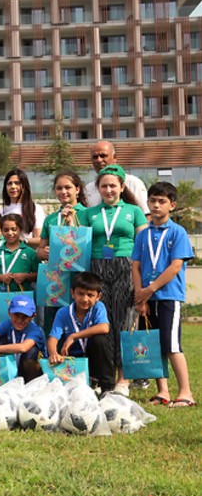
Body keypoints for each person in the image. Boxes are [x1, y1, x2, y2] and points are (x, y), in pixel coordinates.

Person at [78, 164, 147, 395]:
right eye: (104, 186)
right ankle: (104, 379)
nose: (108, 190)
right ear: (98, 188)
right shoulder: (88, 213)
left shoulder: (134, 211)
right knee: (102, 323)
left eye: (113, 186)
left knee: (125, 320)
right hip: (96, 268)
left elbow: (143, 244)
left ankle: (123, 379)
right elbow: (74, 241)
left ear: (122, 187)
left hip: (125, 266)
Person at [131, 182, 195, 408]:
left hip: (168, 295)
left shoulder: (178, 232)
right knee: (154, 344)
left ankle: (186, 392)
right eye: (153, 201)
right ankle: (162, 391)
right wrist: (141, 295)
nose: (156, 205)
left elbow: (175, 266)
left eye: (162, 201)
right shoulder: (142, 234)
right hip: (147, 297)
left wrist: (151, 288)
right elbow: (135, 266)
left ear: (172, 205)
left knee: (172, 345)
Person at [47, 272, 115, 393]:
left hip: (93, 357)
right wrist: (53, 354)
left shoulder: (98, 307)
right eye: (81, 294)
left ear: (98, 296)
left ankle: (108, 388)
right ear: (73, 293)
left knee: (100, 340)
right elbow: (53, 338)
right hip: (73, 359)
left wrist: (74, 336)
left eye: (90, 295)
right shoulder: (63, 312)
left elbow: (104, 327)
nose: (85, 299)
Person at [0, 295, 46, 382]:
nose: (20, 320)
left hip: (30, 371)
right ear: (9, 312)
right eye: (16, 315)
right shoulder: (7, 324)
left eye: (25, 316)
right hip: (12, 368)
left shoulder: (35, 330)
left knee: (31, 351)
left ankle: (30, 384)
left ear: (33, 316)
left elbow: (23, 347)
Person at [84, 140, 149, 214]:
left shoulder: (133, 183)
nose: (99, 160)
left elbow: (146, 215)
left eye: (103, 156)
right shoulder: (89, 189)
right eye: (95, 157)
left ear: (114, 157)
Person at [37, 171, 88, 262]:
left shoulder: (88, 214)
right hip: (57, 272)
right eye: (59, 188)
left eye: (68, 187)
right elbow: (40, 250)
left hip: (81, 269)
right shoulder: (50, 219)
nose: (63, 192)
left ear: (77, 189)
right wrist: (44, 252)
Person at [0, 214, 39, 293]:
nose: (10, 233)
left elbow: (39, 275)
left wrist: (25, 276)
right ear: (1, 231)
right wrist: (1, 277)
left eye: (14, 229)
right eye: (6, 230)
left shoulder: (30, 252)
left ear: (20, 229)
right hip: (2, 296)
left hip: (24, 297)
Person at [1, 168, 45, 248]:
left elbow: (39, 239)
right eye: (9, 183)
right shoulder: (2, 211)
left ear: (24, 186)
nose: (13, 186)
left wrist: (22, 241)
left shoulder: (35, 209)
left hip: (27, 255)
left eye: (17, 183)